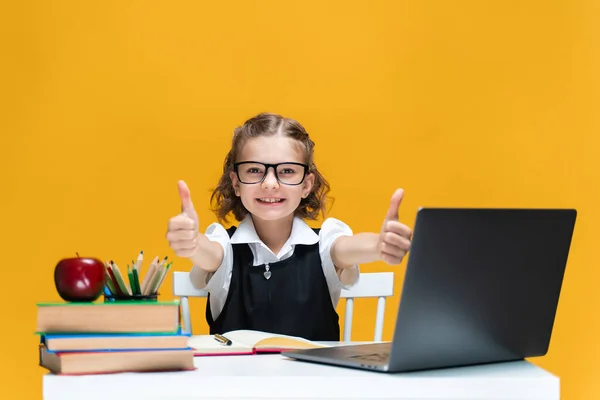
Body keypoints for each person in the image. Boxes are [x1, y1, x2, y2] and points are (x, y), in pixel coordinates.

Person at [166, 112, 412, 341]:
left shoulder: (325, 244)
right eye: (254, 170)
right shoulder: (225, 248)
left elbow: (346, 248)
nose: (270, 184)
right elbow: (209, 254)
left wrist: (379, 245)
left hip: (315, 386)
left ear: (306, 184)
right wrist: (193, 243)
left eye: (286, 171)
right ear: (236, 182)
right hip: (238, 386)